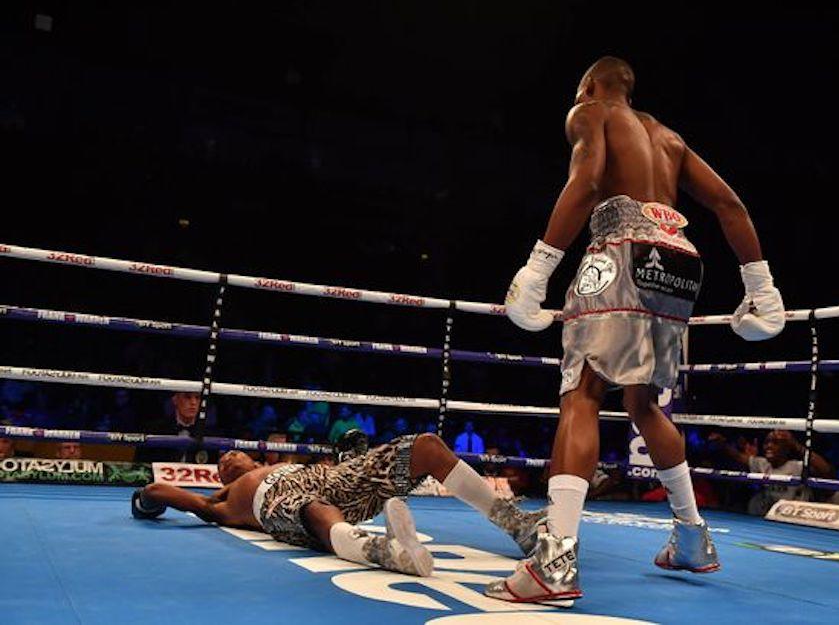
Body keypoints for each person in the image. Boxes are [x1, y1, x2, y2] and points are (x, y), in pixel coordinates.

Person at [495, 56, 787, 602]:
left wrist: (537, 269)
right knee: (644, 404)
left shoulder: (589, 111)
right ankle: (692, 540)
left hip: (622, 253)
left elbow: (584, 184)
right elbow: (729, 203)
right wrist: (761, 286)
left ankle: (553, 563)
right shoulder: (670, 138)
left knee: (581, 392)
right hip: (679, 262)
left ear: (590, 84)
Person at [131, 433, 545, 578]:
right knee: (309, 507)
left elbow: (339, 472)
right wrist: (147, 497)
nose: (225, 461)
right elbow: (173, 494)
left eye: (230, 456)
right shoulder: (224, 501)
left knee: (424, 447)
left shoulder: (288, 463)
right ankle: (384, 551)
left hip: (339, 482)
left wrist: (346, 461)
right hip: (281, 505)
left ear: (253, 459)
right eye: (222, 466)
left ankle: (516, 525)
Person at [710, 429, 832, 515]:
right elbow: (738, 456)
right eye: (767, 442)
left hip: (796, 516)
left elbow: (826, 470)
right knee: (755, 501)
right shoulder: (762, 463)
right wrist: (722, 443)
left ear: (786, 447)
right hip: (771, 514)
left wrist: (796, 445)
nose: (769, 446)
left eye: (775, 443)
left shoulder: (797, 466)